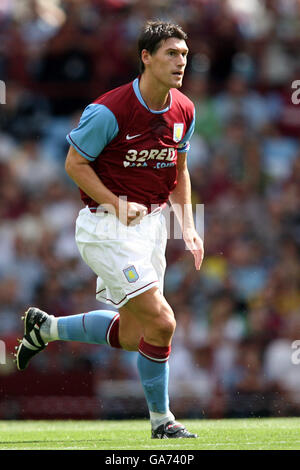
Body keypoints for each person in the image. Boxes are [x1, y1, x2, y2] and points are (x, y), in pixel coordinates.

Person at [15, 20, 204, 439]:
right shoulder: (109, 110)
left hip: (152, 227)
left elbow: (181, 170)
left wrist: (188, 226)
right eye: (171, 54)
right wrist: (116, 204)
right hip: (106, 227)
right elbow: (73, 164)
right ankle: (162, 422)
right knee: (163, 323)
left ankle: (45, 328)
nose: (180, 62)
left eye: (184, 55)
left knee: (136, 334)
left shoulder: (185, 110)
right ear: (146, 57)